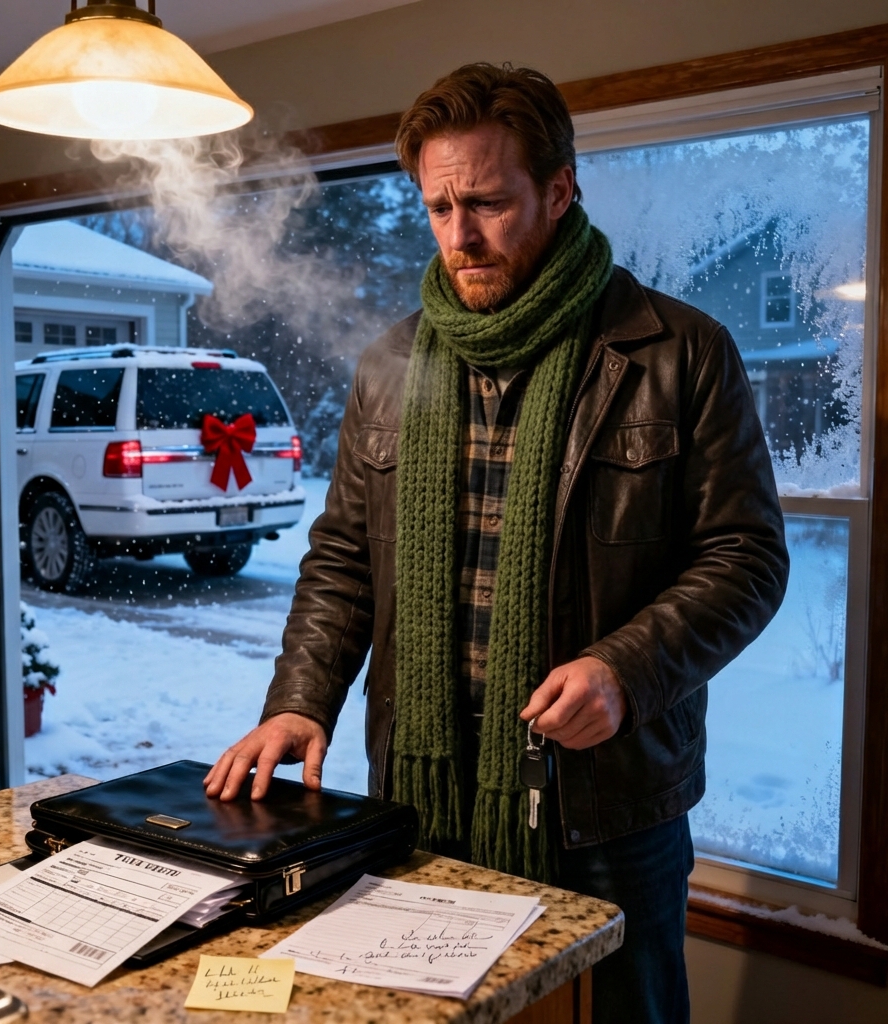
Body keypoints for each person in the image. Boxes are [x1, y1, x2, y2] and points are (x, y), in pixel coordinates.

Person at [204, 63, 788, 1024]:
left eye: (487, 203)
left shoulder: (680, 351)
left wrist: (625, 669)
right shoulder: (392, 365)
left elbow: (747, 558)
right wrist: (300, 701)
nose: (459, 237)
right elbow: (345, 556)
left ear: (560, 190)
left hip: (606, 805)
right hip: (424, 796)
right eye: (436, 207)